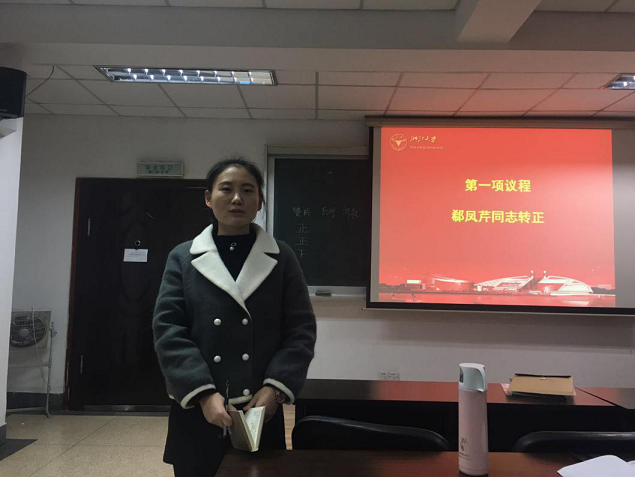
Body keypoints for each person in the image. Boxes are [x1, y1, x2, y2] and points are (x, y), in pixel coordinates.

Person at [153, 157, 317, 477]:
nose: (237, 198)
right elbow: (169, 330)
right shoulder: (183, 257)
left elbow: (300, 330)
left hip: (260, 410)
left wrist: (274, 390)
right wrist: (203, 394)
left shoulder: (281, 257)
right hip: (198, 410)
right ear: (208, 197)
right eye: (226, 189)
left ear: (260, 201)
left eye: (247, 190)